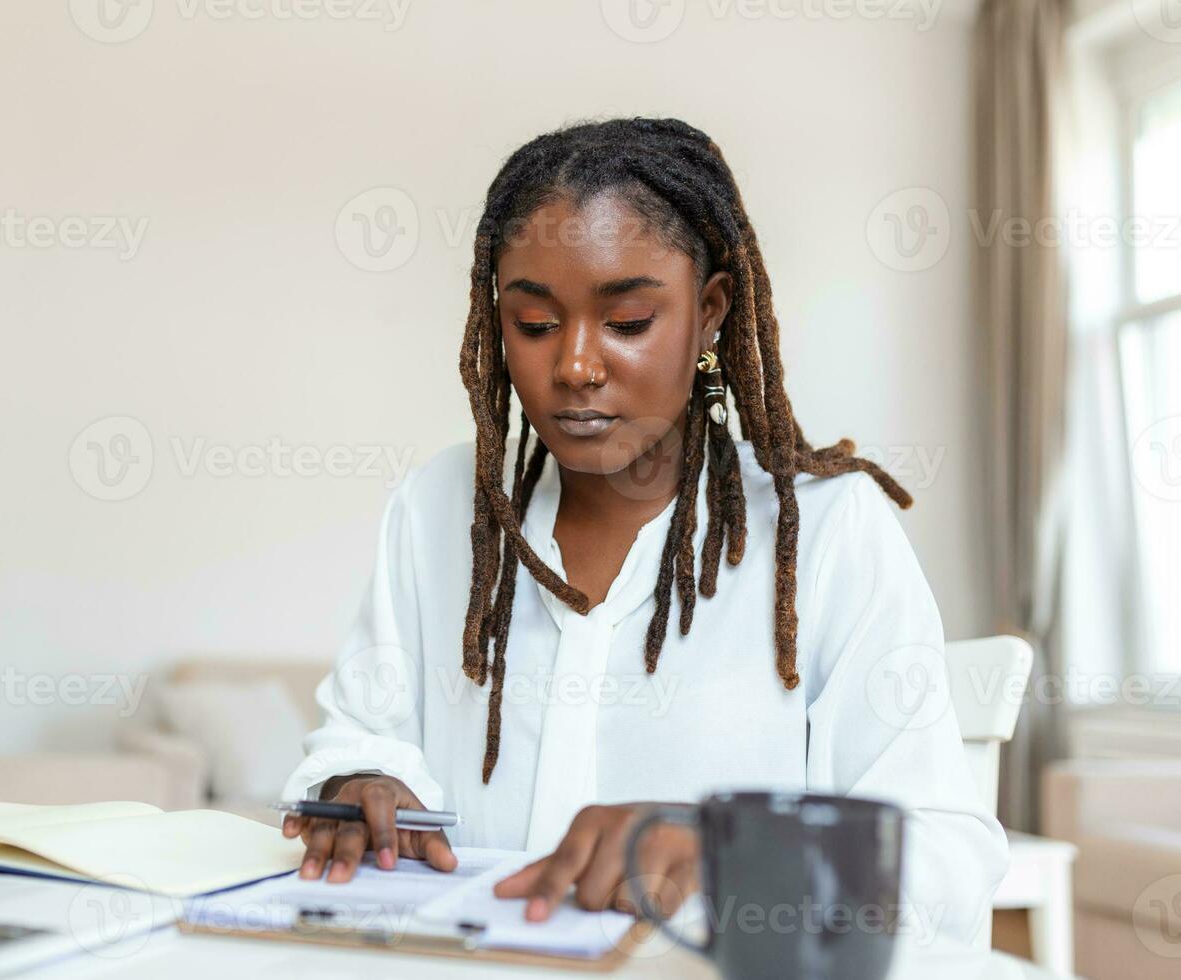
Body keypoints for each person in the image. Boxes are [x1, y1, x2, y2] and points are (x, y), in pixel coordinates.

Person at [279, 117, 1007, 944]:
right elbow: (359, 729)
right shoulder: (439, 507)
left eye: (626, 321)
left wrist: (735, 853)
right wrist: (360, 776)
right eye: (535, 324)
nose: (575, 365)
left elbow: (947, 854)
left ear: (710, 314)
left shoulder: (829, 532)